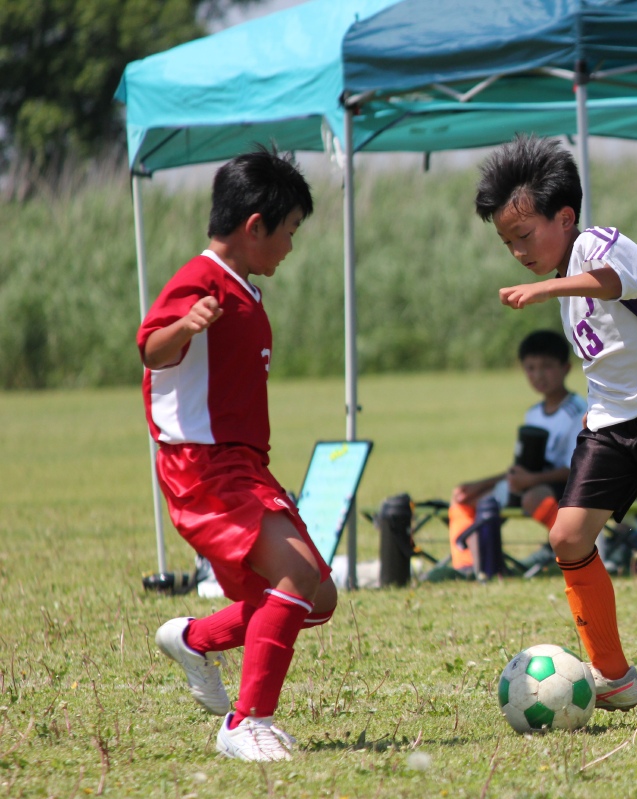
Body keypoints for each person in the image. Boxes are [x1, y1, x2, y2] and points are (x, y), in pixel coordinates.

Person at [475, 134, 637, 723]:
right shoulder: (564, 278)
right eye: (507, 242)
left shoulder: (598, 243)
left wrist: (546, 287)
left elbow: (616, 280)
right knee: (567, 537)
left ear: (565, 218)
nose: (517, 251)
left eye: (524, 235)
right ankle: (614, 676)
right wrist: (551, 285)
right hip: (612, 422)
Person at [138, 147, 332, 761]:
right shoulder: (202, 279)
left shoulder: (244, 287)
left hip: (243, 465)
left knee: (316, 597)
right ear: (254, 226)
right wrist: (185, 326)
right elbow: (151, 349)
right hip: (203, 465)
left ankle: (195, 639)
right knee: (296, 576)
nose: (291, 246)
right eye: (289, 230)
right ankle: (245, 724)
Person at [445, 329, 587, 578]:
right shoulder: (533, 413)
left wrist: (531, 480)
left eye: (546, 367)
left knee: (533, 498)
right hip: (528, 484)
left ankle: (577, 549)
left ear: (566, 368)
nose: (538, 375)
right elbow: (521, 469)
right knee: (463, 498)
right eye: (530, 368)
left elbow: (579, 469)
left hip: (563, 488)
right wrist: (480, 484)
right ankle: (469, 566)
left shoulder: (577, 412)